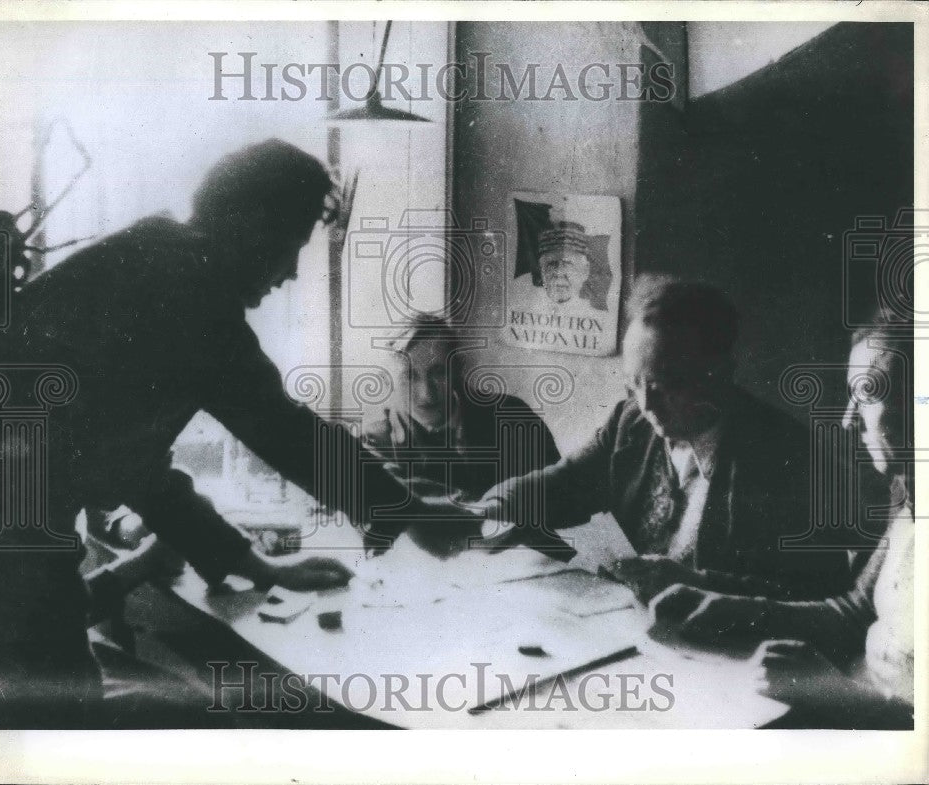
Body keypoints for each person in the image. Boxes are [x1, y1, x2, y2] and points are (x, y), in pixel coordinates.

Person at [0, 139, 470, 728]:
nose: (291, 274)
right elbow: (281, 428)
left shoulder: (154, 258)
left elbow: (135, 466)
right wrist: (405, 511)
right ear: (251, 227)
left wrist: (257, 565)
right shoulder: (188, 290)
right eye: (290, 247)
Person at [477, 275, 852, 603]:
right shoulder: (631, 422)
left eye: (664, 385)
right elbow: (564, 481)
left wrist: (698, 584)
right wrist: (491, 508)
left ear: (718, 372)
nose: (646, 403)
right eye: (633, 384)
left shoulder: (786, 455)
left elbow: (817, 592)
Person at [649, 313, 914, 729]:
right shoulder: (912, 502)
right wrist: (717, 601)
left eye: (866, 395)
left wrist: (836, 694)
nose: (848, 419)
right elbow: (854, 611)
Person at [362, 314, 563, 556]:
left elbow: (559, 496)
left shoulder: (513, 417)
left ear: (457, 370)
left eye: (438, 373)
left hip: (527, 562)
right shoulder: (377, 441)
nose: (426, 394)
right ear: (387, 380)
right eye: (409, 376)